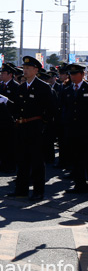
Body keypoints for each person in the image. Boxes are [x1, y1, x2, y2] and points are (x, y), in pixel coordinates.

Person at [0, 56, 57, 201]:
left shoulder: (43, 87)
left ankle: (38, 191)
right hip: (22, 128)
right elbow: (17, 109)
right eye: (24, 68)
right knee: (22, 160)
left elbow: (51, 110)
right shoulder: (21, 87)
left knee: (37, 161)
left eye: (28, 68)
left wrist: (42, 125)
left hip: (36, 128)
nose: (24, 71)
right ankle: (21, 190)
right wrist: (6, 103)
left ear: (36, 70)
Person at [61, 63, 88, 193]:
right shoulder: (67, 90)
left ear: (82, 74)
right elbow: (64, 109)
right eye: (71, 74)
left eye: (75, 73)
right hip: (72, 130)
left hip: (86, 130)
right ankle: (79, 185)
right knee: (76, 158)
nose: (72, 76)